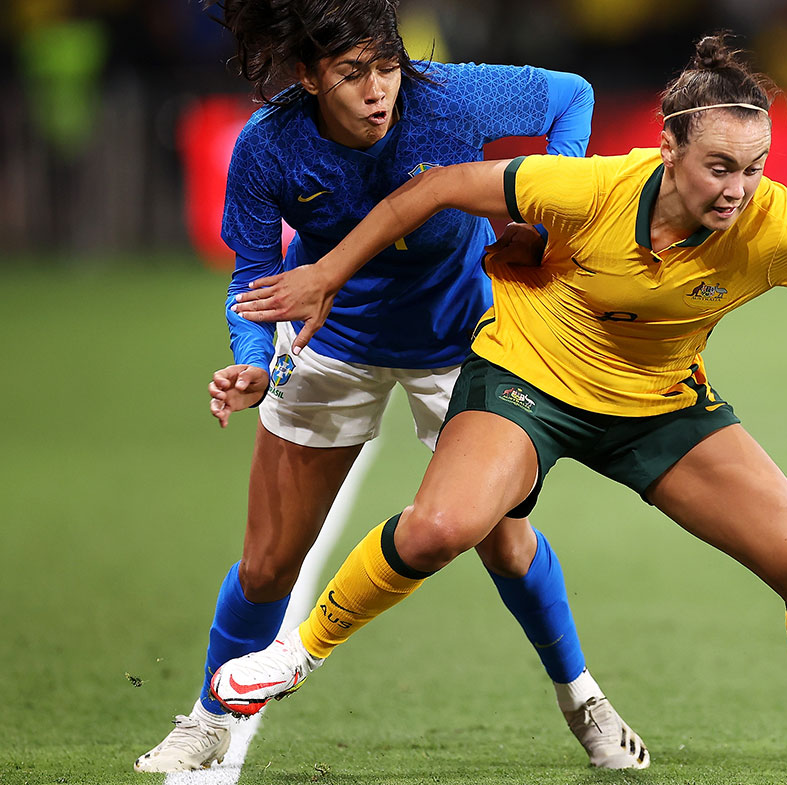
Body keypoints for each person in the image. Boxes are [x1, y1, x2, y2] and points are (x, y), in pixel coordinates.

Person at [214, 34, 787, 780]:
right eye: (721, 166)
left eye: (754, 167)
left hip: (658, 406)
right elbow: (431, 191)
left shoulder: (776, 223)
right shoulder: (592, 186)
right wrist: (324, 275)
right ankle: (294, 653)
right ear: (668, 146)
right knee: (440, 528)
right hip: (527, 381)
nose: (741, 189)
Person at [135, 0, 649, 773]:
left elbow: (571, 94)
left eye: (386, 66)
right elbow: (253, 273)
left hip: (464, 340)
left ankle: (582, 697)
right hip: (331, 344)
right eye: (352, 74)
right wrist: (248, 357)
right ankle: (208, 715)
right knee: (270, 564)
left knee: (504, 543)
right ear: (309, 76)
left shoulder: (447, 96)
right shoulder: (268, 147)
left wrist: (544, 211)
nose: (379, 90)